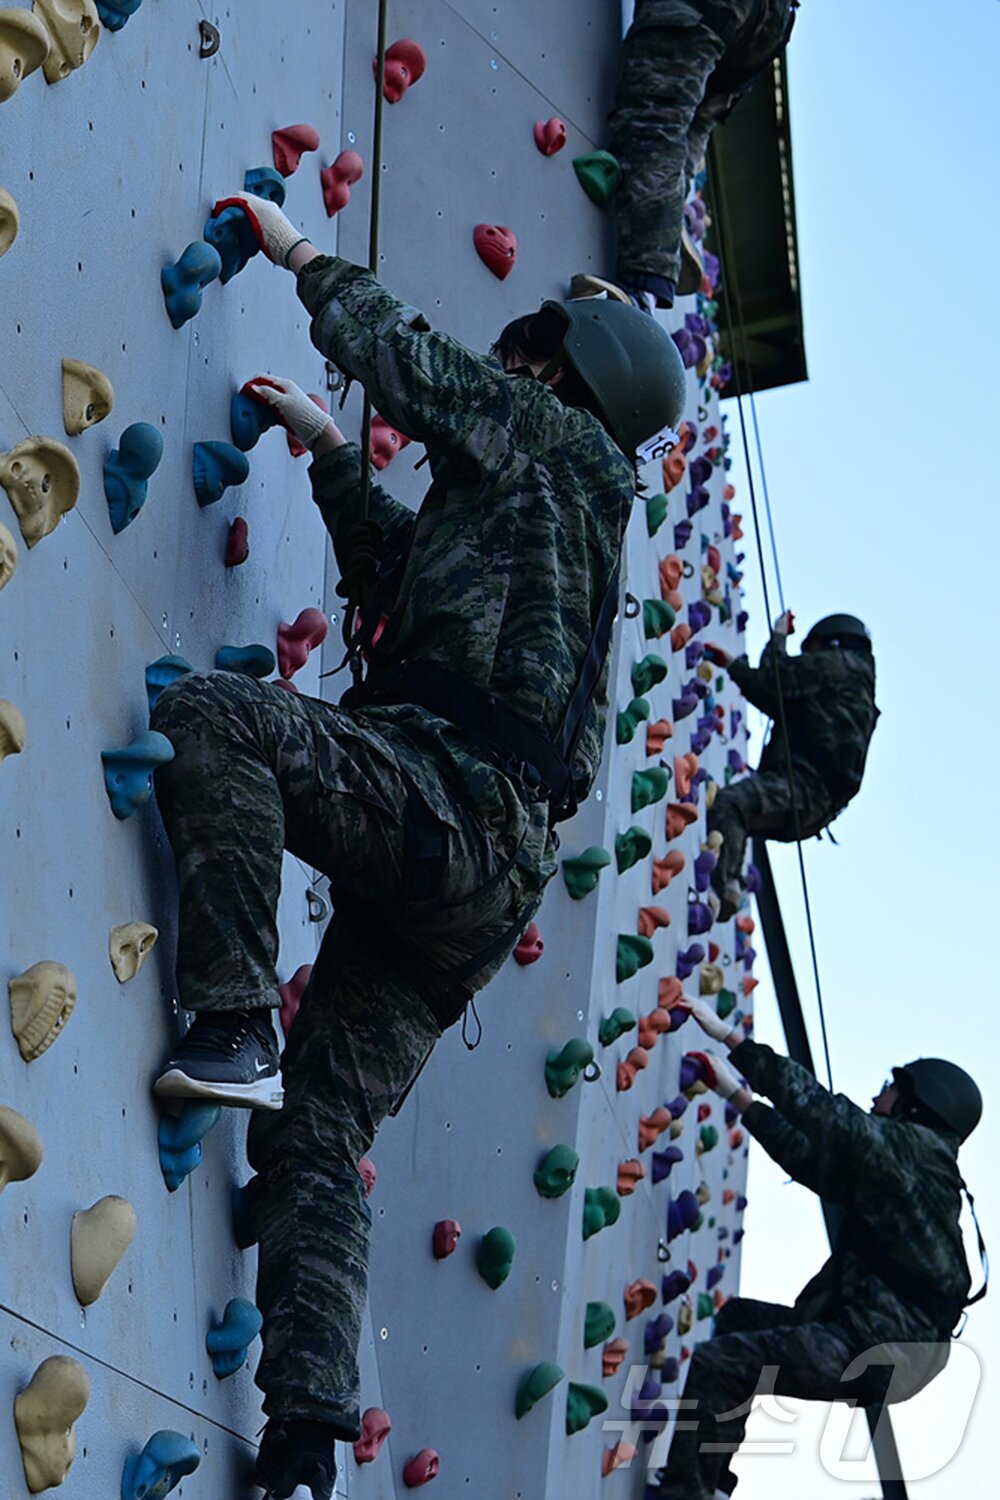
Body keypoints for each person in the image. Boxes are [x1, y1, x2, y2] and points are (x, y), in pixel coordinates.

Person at [148, 192, 687, 1499]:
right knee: (321, 1127)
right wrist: (334, 452)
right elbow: (406, 595)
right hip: (477, 871)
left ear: (561, 368)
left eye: (526, 348)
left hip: (447, 794)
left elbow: (420, 367)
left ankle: (230, 1021)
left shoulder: (554, 437)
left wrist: (297, 254)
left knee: (219, 718)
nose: (504, 363)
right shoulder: (552, 510)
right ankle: (306, 1438)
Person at [655, 997, 985, 1500]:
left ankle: (688, 1494)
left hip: (875, 1348)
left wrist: (732, 1039)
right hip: (887, 1347)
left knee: (720, 1364)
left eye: (891, 1088)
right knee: (740, 1322)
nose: (879, 1095)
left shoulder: (911, 1151)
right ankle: (708, 1483)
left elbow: (826, 1116)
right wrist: (740, 1099)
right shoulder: (906, 1170)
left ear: (919, 1106)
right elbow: (813, 1162)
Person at [572, 0, 799, 312]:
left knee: (654, 121)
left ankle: (641, 290)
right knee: (692, 121)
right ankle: (668, 211)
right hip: (769, 24)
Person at [703, 609, 878, 919]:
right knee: (740, 816)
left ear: (834, 643)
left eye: (813, 651)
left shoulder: (839, 665)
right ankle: (730, 885)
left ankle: (724, 887)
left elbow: (776, 680)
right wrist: (733, 666)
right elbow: (778, 700)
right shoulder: (850, 687)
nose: (810, 658)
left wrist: (779, 636)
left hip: (804, 787)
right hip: (814, 803)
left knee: (731, 804)